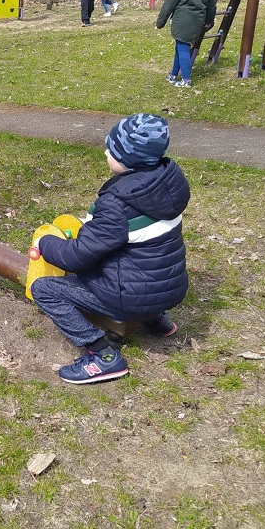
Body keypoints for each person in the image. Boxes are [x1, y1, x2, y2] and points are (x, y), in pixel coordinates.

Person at [30, 114, 190, 385]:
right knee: (143, 259)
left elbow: (76, 257)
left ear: (129, 159)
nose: (106, 152)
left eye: (112, 150)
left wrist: (45, 243)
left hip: (132, 297)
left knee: (44, 289)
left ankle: (101, 354)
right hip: (171, 288)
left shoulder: (117, 204)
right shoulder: (167, 186)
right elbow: (126, 234)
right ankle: (156, 320)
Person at [156, 0, 217, 88]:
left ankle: (186, 79)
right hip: (197, 22)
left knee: (183, 49)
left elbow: (169, 4)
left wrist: (160, 23)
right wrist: (209, 20)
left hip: (182, 22)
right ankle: (173, 74)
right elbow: (211, 5)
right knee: (180, 47)